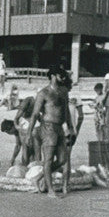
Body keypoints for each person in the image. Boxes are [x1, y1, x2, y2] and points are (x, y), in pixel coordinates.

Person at [26, 67, 74, 198]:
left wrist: (70, 127)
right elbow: (35, 114)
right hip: (47, 128)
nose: (63, 78)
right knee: (48, 159)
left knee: (63, 159)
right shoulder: (43, 93)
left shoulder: (64, 91)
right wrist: (28, 134)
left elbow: (66, 111)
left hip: (59, 128)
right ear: (53, 76)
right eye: (60, 75)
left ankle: (38, 178)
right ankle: (51, 191)